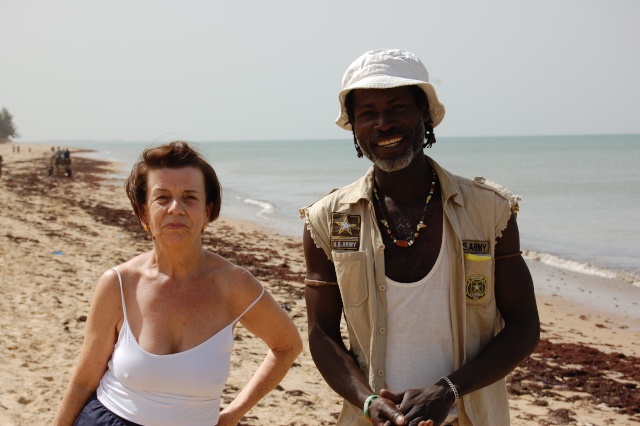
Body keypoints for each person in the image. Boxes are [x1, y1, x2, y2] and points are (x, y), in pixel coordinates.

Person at [300, 49, 540, 426]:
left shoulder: (489, 212)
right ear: (354, 128)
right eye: (367, 114)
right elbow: (321, 335)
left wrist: (447, 390)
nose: (382, 124)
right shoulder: (329, 219)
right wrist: (368, 403)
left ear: (424, 116)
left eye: (397, 108)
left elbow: (525, 327)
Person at [53, 141, 302, 426]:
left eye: (189, 197)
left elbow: (287, 346)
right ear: (143, 212)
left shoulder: (234, 285)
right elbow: (83, 381)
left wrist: (232, 415)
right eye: (162, 197)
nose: (176, 208)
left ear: (208, 211)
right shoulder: (119, 284)